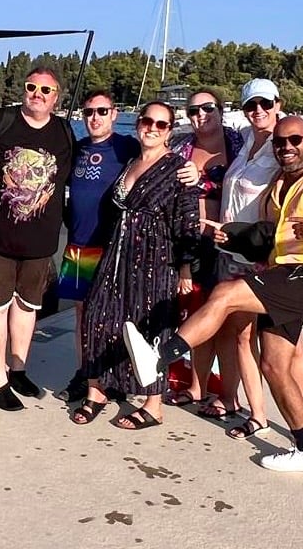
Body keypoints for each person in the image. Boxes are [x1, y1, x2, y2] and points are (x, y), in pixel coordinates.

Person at [124, 116, 303, 474]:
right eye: (280, 143)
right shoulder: (280, 184)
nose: (287, 148)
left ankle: (159, 356)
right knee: (274, 365)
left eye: (295, 140)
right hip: (284, 272)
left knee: (225, 294)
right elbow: (271, 237)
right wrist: (233, 238)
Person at [205, 79, 303, 439]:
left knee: (288, 344)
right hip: (237, 248)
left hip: (274, 254)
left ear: (278, 104)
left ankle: (298, 418)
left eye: (264, 104)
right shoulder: (244, 141)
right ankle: (258, 414)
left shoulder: (290, 140)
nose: (257, 111)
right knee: (243, 336)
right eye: (250, 106)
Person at [72, 102, 200, 429]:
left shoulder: (178, 168)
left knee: (150, 327)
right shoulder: (130, 161)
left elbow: (187, 221)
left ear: (170, 131)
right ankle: (97, 390)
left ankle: (153, 403)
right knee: (98, 317)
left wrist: (185, 268)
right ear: (138, 123)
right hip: (117, 254)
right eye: (147, 121)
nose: (152, 128)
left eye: (161, 124)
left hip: (156, 259)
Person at [0, 67, 74, 411]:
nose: (38, 94)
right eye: (32, 87)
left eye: (47, 90)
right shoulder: (0, 121)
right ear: (24, 89)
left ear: (56, 97)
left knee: (28, 308)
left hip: (40, 243)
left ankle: (18, 368)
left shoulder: (63, 131)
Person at [54, 91, 139, 402]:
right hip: (78, 245)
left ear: (114, 114)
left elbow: (161, 159)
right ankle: (85, 371)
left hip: (111, 245)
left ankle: (114, 374)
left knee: (113, 314)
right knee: (81, 313)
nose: (95, 118)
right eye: (89, 112)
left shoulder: (127, 146)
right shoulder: (77, 149)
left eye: (102, 111)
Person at [165, 89, 244, 411]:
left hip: (228, 245)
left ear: (221, 110)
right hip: (192, 244)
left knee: (229, 327)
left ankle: (229, 396)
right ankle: (197, 387)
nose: (201, 115)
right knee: (199, 316)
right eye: (194, 110)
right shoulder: (183, 147)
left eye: (208, 108)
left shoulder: (239, 144)